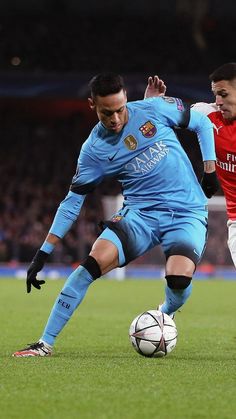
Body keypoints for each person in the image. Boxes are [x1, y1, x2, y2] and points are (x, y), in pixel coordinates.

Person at [13, 72, 218, 357]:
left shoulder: (153, 109)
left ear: (126, 99)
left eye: (120, 109)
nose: (116, 119)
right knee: (88, 267)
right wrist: (43, 252)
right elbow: (72, 202)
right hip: (140, 215)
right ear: (92, 105)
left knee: (179, 280)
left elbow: (202, 123)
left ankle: (164, 313)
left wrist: (210, 170)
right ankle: (44, 343)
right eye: (107, 113)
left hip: (186, 212)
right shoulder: (93, 151)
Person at [145, 63, 236, 267]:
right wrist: (151, 105)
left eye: (224, 94)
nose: (218, 101)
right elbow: (163, 119)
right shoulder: (206, 115)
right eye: (215, 95)